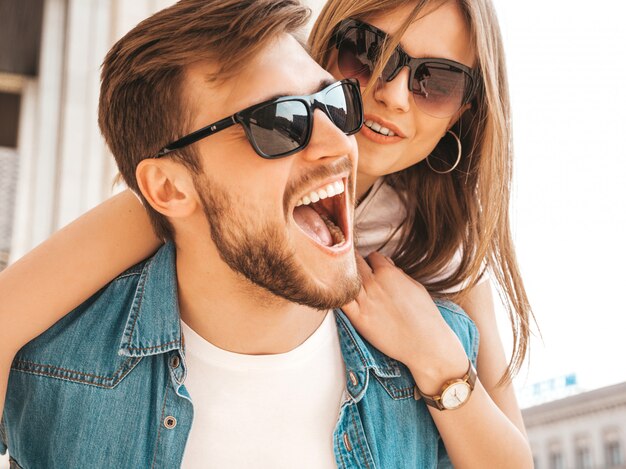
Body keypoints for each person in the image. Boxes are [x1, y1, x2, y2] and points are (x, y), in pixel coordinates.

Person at [0, 0, 534, 467]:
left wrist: (437, 359)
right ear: (323, 49)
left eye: (436, 82)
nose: (391, 94)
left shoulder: (443, 246)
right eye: (367, 52)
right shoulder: (187, 199)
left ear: (465, 111)